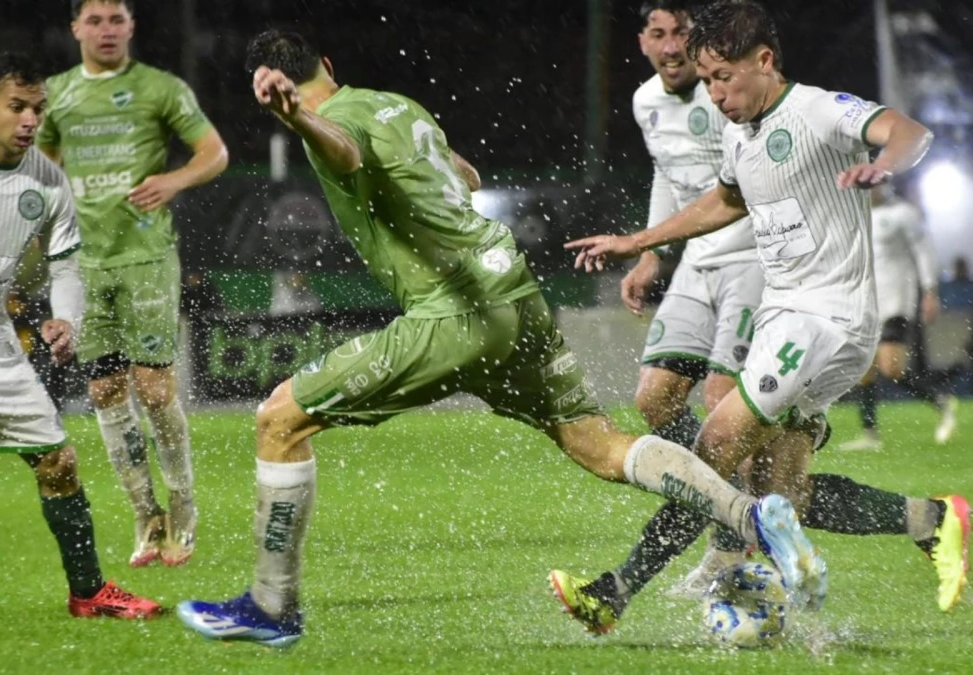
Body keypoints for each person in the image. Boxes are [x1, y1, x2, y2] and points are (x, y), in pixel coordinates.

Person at [175, 29, 826, 649]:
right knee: (598, 444)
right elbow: (467, 177)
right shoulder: (399, 107)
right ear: (329, 64)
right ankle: (751, 516)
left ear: (282, 87)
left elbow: (343, 150)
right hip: (512, 292)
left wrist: (298, 122)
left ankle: (271, 606)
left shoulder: (332, 124)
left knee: (279, 418)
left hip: (454, 311)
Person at [562, 0, 970, 631]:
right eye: (707, 82)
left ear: (765, 60)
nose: (716, 94)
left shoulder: (817, 109)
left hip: (827, 321)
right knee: (783, 494)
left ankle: (616, 591)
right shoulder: (738, 131)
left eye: (725, 77)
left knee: (714, 445)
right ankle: (932, 521)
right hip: (787, 316)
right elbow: (725, 200)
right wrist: (638, 243)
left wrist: (880, 165)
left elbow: (911, 133)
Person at [0, 51, 160, 619]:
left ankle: (87, 594)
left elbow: (64, 266)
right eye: (17, 107)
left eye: (38, 108)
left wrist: (66, 318)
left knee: (57, 464)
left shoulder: (50, 184)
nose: (30, 119)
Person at [37, 0, 229, 568]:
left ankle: (184, 507)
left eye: (116, 19)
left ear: (131, 27)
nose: (106, 30)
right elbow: (41, 172)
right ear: (75, 28)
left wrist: (173, 180)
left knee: (155, 389)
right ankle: (147, 517)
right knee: (103, 390)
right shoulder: (56, 95)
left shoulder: (160, 89)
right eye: (94, 20)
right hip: (83, 263)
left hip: (146, 257)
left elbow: (214, 154)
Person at [620, 0, 765, 597]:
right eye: (660, 34)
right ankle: (725, 498)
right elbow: (666, 173)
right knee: (654, 400)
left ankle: (731, 548)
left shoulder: (724, 92)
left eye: (682, 32)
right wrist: (652, 253)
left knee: (719, 397)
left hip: (752, 257)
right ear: (644, 43)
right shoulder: (643, 102)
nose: (673, 45)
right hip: (695, 264)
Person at [839, 187, 958, 451]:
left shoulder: (902, 213)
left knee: (891, 368)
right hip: (865, 303)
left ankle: (939, 399)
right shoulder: (855, 214)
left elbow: (924, 251)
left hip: (896, 300)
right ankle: (870, 435)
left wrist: (929, 291)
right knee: (864, 368)